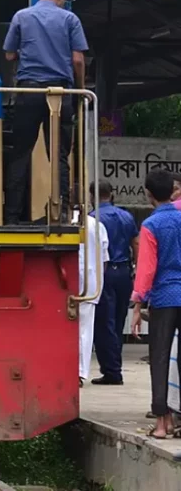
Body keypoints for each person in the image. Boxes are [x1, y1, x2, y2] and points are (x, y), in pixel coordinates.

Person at [1, 0, 88, 225]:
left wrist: (27, 53)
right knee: (59, 154)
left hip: (29, 92)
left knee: (21, 152)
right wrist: (80, 90)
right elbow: (78, 60)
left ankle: (11, 216)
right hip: (60, 93)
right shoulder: (70, 19)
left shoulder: (21, 16)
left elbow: (9, 55)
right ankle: (61, 212)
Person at [132, 169, 181, 439]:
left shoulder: (151, 225)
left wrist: (138, 303)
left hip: (163, 298)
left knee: (160, 359)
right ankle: (178, 421)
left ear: (148, 194)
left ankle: (162, 423)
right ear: (173, 191)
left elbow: (147, 269)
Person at [89, 181, 138, 385]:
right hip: (124, 271)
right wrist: (136, 266)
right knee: (118, 320)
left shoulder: (92, 219)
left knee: (104, 322)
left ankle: (112, 370)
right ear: (111, 194)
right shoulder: (126, 216)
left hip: (105, 272)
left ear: (92, 195)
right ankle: (115, 364)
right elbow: (135, 242)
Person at [78, 211, 109, 387]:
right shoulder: (96, 225)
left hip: (64, 280)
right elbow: (104, 259)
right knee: (85, 330)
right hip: (90, 283)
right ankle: (80, 372)